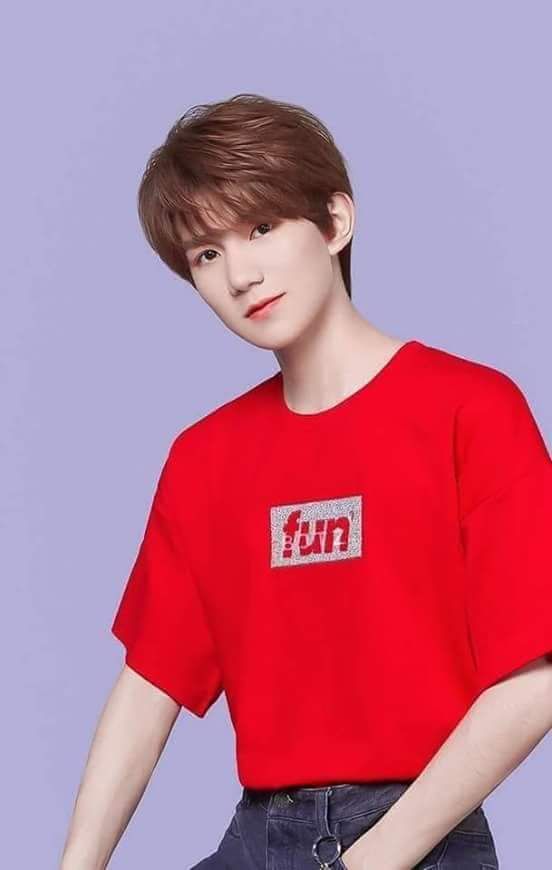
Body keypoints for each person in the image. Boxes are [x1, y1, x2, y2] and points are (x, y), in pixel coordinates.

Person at [60, 93, 552, 870]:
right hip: (260, 835)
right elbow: (147, 687)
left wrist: (373, 858)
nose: (241, 275)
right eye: (206, 254)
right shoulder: (205, 458)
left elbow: (535, 681)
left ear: (334, 222)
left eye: (261, 228)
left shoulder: (471, 410)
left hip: (416, 835)